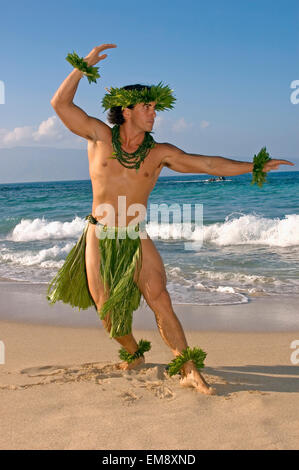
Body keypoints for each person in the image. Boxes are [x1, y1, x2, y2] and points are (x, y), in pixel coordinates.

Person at [47, 43, 294, 395]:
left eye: (155, 107)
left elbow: (207, 164)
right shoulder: (99, 136)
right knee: (107, 311)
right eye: (147, 107)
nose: (154, 113)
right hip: (99, 234)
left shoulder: (160, 153)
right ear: (126, 110)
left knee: (160, 297)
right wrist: (83, 67)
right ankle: (134, 353)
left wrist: (254, 166)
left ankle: (188, 367)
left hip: (135, 233)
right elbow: (60, 105)